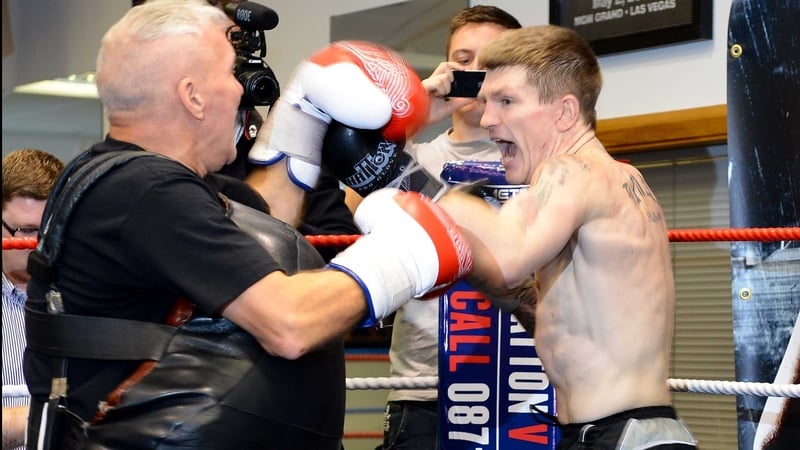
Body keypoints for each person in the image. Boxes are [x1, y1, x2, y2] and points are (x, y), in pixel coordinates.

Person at [21, 1, 471, 448]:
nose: (241, 93)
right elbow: (290, 324)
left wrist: (302, 117)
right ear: (192, 95)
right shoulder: (145, 190)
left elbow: (264, 236)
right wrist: (404, 256)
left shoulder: (144, 181)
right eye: (228, 75)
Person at [432, 25, 699, 449]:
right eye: (486, 102)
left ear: (564, 112)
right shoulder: (615, 178)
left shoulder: (571, 172)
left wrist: (428, 194)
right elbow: (551, 304)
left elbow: (507, 258)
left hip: (621, 433)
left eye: (506, 102)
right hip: (618, 430)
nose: (487, 119)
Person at [377, 6, 522, 450]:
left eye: (490, 61)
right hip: (424, 389)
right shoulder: (412, 156)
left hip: (519, 381)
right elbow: (345, 213)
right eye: (462, 58)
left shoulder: (535, 161)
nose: (473, 71)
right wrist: (417, 113)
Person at [2, 149, 64, 450]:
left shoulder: (86, 301)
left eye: (48, 232)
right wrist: (43, 420)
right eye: (25, 230)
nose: (37, 246)